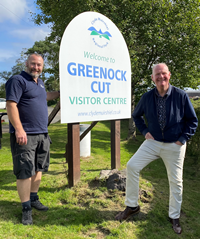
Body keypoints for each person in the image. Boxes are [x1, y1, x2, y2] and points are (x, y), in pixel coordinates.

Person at [115, 63, 198, 234]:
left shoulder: (181, 96)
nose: (161, 77)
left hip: (175, 144)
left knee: (176, 181)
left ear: (169, 75)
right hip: (152, 143)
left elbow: (192, 121)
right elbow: (136, 115)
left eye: (163, 73)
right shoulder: (147, 97)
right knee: (132, 166)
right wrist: (145, 131)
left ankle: (174, 216)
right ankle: (132, 206)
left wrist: (182, 139)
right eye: (157, 75)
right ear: (152, 78)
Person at [5, 53, 60, 225]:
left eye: (39, 65)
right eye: (33, 64)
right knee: (24, 171)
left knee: (38, 168)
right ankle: (26, 208)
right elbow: (11, 104)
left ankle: (34, 198)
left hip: (42, 133)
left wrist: (59, 93)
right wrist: (19, 129)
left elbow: (45, 97)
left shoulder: (40, 83)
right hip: (25, 135)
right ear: (26, 64)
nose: (36, 67)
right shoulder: (17, 81)